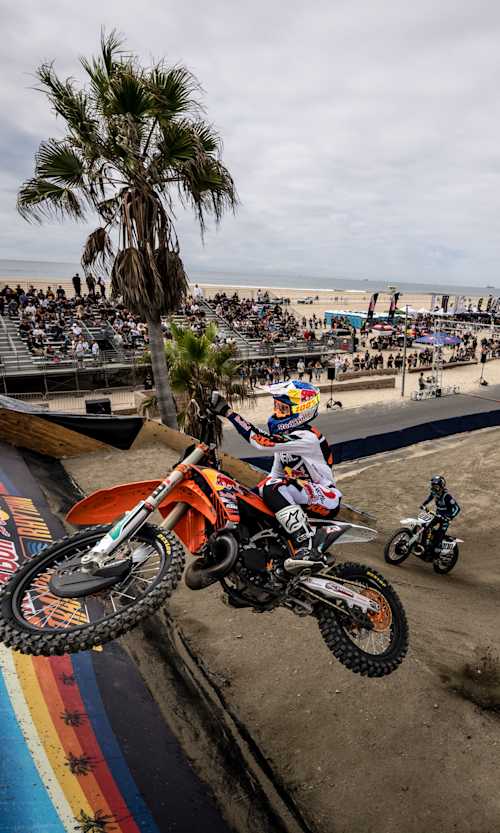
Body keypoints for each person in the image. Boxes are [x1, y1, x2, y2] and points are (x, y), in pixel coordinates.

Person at [210, 381, 342, 573]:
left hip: (327, 497)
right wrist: (247, 496)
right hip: (298, 494)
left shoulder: (307, 437)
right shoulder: (287, 442)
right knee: (252, 495)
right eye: (276, 406)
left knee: (273, 487)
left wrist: (228, 413)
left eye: (282, 408)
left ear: (301, 411)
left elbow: (261, 442)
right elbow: (274, 475)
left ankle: (307, 544)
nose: (277, 412)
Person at [420, 475, 460, 553]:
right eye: (433, 486)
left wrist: (450, 517)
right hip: (437, 515)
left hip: (445, 519)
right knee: (425, 526)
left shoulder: (447, 496)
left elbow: (457, 508)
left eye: (436, 487)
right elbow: (429, 498)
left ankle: (436, 551)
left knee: (439, 536)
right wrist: (423, 505)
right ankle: (423, 545)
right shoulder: (434, 493)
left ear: (441, 486)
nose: (434, 488)